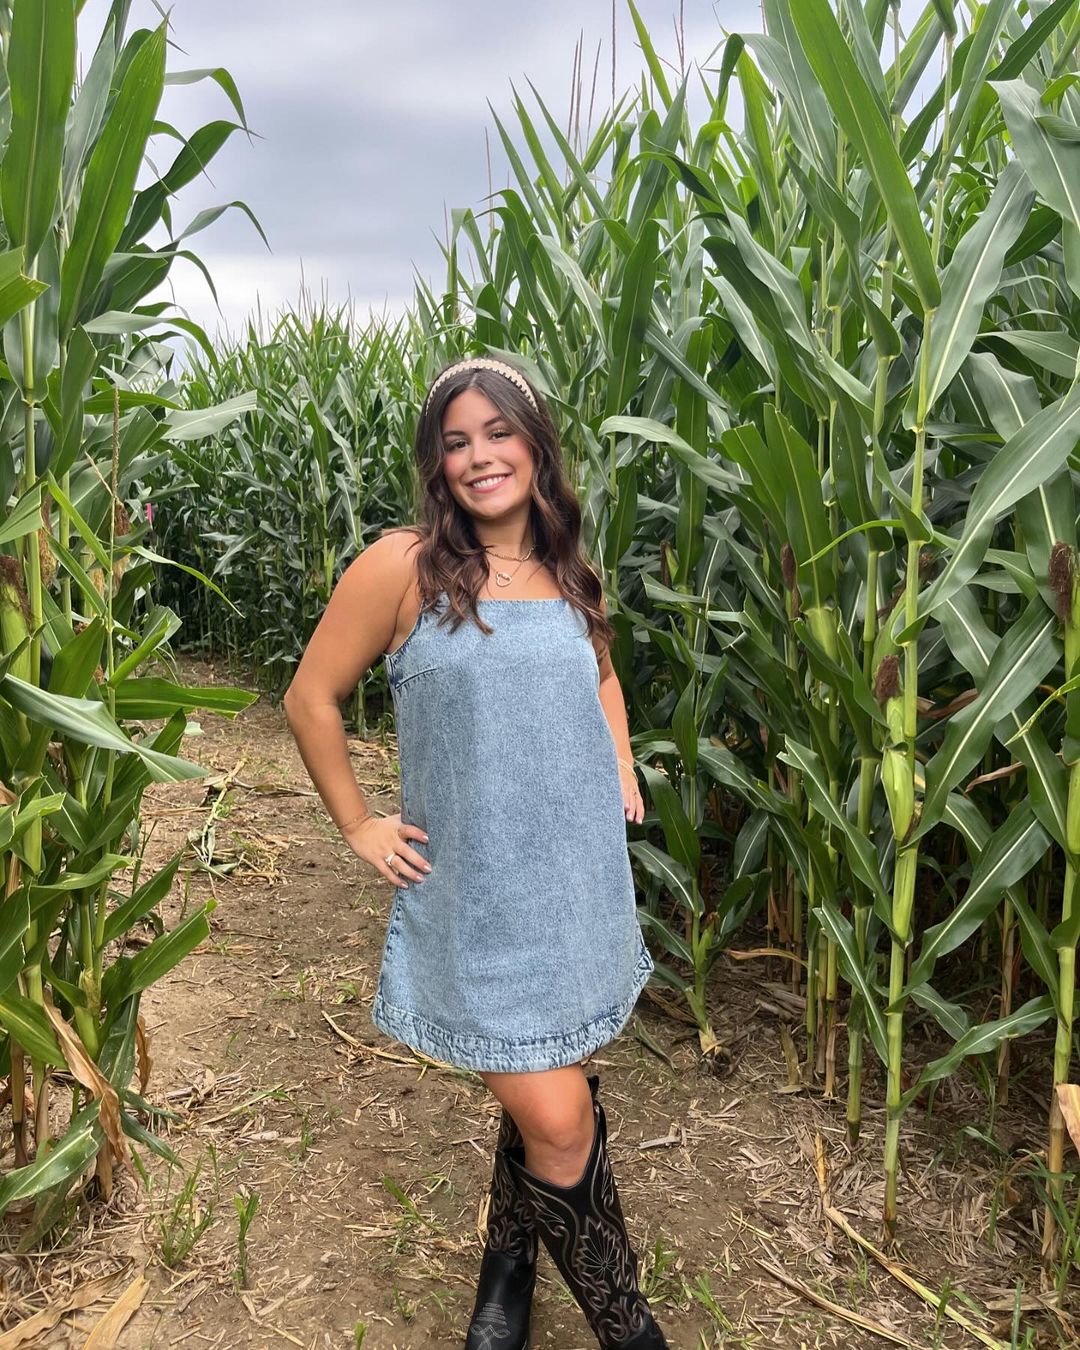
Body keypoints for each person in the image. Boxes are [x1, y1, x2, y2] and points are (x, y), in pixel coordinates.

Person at [283, 356, 670, 1349]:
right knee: (561, 1116)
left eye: (498, 433)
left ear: (536, 446)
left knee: (548, 1090)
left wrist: (619, 760)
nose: (479, 457)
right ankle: (632, 1332)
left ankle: (507, 1269)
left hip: (573, 879)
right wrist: (359, 824)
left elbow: (601, 674)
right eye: (456, 442)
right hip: (478, 896)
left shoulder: (570, 571)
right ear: (437, 464)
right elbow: (310, 697)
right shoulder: (403, 569)